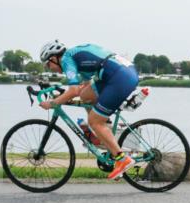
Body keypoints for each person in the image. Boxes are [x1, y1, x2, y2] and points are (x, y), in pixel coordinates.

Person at [38, 40, 139, 179]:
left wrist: (52, 103)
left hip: (118, 77)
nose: (50, 69)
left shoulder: (67, 59)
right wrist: (62, 97)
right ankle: (106, 132)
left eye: (48, 65)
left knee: (94, 121)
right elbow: (82, 88)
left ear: (54, 58)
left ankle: (122, 159)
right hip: (120, 72)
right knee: (86, 96)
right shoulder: (75, 56)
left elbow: (73, 90)